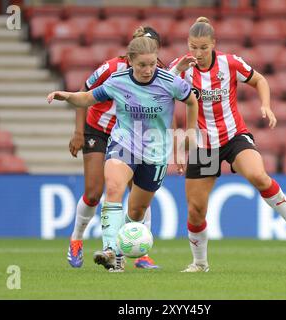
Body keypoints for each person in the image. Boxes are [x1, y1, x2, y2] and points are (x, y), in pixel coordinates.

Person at [169, 17, 286, 273]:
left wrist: (265, 105)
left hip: (233, 136)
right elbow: (161, 95)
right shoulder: (180, 68)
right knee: (196, 210)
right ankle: (200, 263)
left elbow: (260, 80)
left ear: (213, 44)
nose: (198, 53)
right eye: (193, 47)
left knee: (258, 176)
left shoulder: (230, 63)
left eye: (204, 48)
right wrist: (176, 147)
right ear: (188, 44)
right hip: (204, 144)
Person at [48, 36, 199, 272]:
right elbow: (88, 97)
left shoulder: (170, 82)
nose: (148, 70)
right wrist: (67, 96)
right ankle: (110, 250)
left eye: (152, 64)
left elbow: (191, 100)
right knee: (114, 188)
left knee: (137, 211)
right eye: (142, 65)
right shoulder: (117, 81)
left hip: (155, 151)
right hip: (123, 143)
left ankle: (120, 250)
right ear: (130, 61)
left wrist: (190, 133)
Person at [66, 26, 165, 270]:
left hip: (133, 136)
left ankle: (140, 253)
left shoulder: (157, 72)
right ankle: (76, 240)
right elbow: (83, 92)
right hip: (99, 130)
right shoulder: (111, 68)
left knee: (139, 193)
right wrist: (78, 132)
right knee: (93, 191)